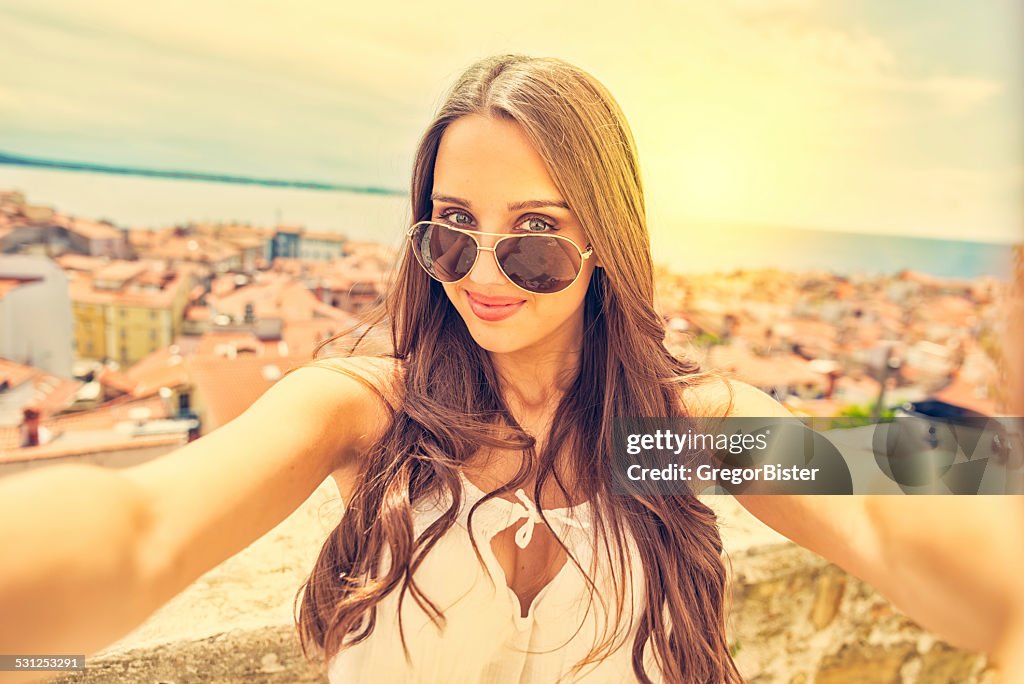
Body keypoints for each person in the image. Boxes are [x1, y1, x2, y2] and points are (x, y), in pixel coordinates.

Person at [1, 53, 1022, 684]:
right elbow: (138, 533)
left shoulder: (669, 433)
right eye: (451, 230)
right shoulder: (366, 415)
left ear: (606, 243)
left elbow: (888, 506)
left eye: (533, 234)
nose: (482, 273)